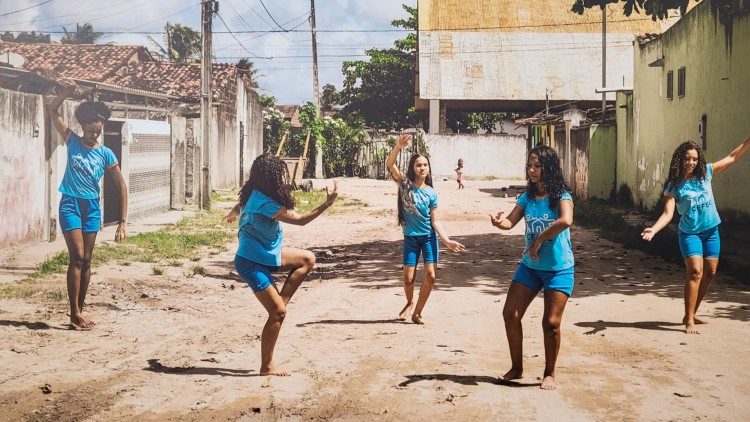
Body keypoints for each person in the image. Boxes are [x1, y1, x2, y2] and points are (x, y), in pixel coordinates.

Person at [224, 153, 338, 376]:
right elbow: (302, 220)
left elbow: (240, 205)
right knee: (277, 312)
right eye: (279, 175)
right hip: (250, 261)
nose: (282, 179)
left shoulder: (252, 194)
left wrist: (232, 213)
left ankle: (279, 306)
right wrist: (327, 203)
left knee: (307, 259)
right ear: (270, 177)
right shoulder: (263, 201)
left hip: (268, 254)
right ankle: (266, 367)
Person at [641, 136, 750, 334]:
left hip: (711, 231)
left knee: (710, 271)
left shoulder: (706, 173)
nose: (691, 163)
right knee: (695, 272)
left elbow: (733, 157)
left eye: (694, 159)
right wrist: (654, 229)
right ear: (679, 160)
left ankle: (691, 312)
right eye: (686, 159)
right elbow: (668, 214)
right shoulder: (674, 185)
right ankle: (689, 319)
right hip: (690, 234)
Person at [490, 145, 574, 390]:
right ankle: (516, 368)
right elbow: (510, 221)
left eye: (537, 165)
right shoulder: (527, 196)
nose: (532, 170)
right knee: (510, 314)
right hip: (531, 266)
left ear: (548, 168)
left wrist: (539, 239)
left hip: (559, 268)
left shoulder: (562, 195)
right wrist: (499, 222)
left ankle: (549, 373)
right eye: (529, 165)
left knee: (551, 323)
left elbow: (566, 220)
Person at [47, 82, 128, 330]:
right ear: (84, 126)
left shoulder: (106, 154)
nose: (96, 135)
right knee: (78, 257)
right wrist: (64, 93)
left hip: (92, 208)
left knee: (89, 260)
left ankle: (79, 311)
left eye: (99, 131)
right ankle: (73, 313)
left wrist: (122, 223)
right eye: (92, 131)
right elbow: (52, 111)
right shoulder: (72, 140)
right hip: (70, 204)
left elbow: (122, 186)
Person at [386, 134, 465, 325]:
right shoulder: (405, 185)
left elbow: (435, 221)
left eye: (425, 165)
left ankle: (418, 312)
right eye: (418, 165)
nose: (422, 168)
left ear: (429, 168)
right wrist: (398, 146)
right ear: (412, 168)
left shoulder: (431, 192)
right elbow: (390, 165)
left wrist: (446, 240)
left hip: (429, 238)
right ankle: (410, 302)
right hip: (411, 239)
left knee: (430, 274)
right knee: (408, 279)